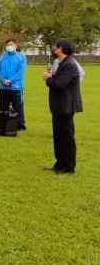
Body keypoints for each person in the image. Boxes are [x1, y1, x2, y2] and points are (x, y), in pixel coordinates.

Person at [44, 39, 83, 175]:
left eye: (57, 46)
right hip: (59, 106)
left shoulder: (70, 64)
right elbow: (59, 80)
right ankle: (59, 163)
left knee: (66, 137)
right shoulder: (62, 63)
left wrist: (48, 79)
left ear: (62, 48)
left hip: (66, 106)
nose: (54, 48)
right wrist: (52, 76)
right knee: (58, 136)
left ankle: (68, 167)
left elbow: (60, 84)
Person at [0, 38, 27, 131]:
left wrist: (10, 80)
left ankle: (20, 126)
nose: (9, 46)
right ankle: (2, 125)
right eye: (8, 44)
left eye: (11, 44)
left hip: (16, 87)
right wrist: (2, 79)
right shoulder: (2, 57)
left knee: (18, 107)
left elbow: (20, 72)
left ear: (16, 45)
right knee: (2, 107)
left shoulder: (21, 57)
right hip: (3, 86)